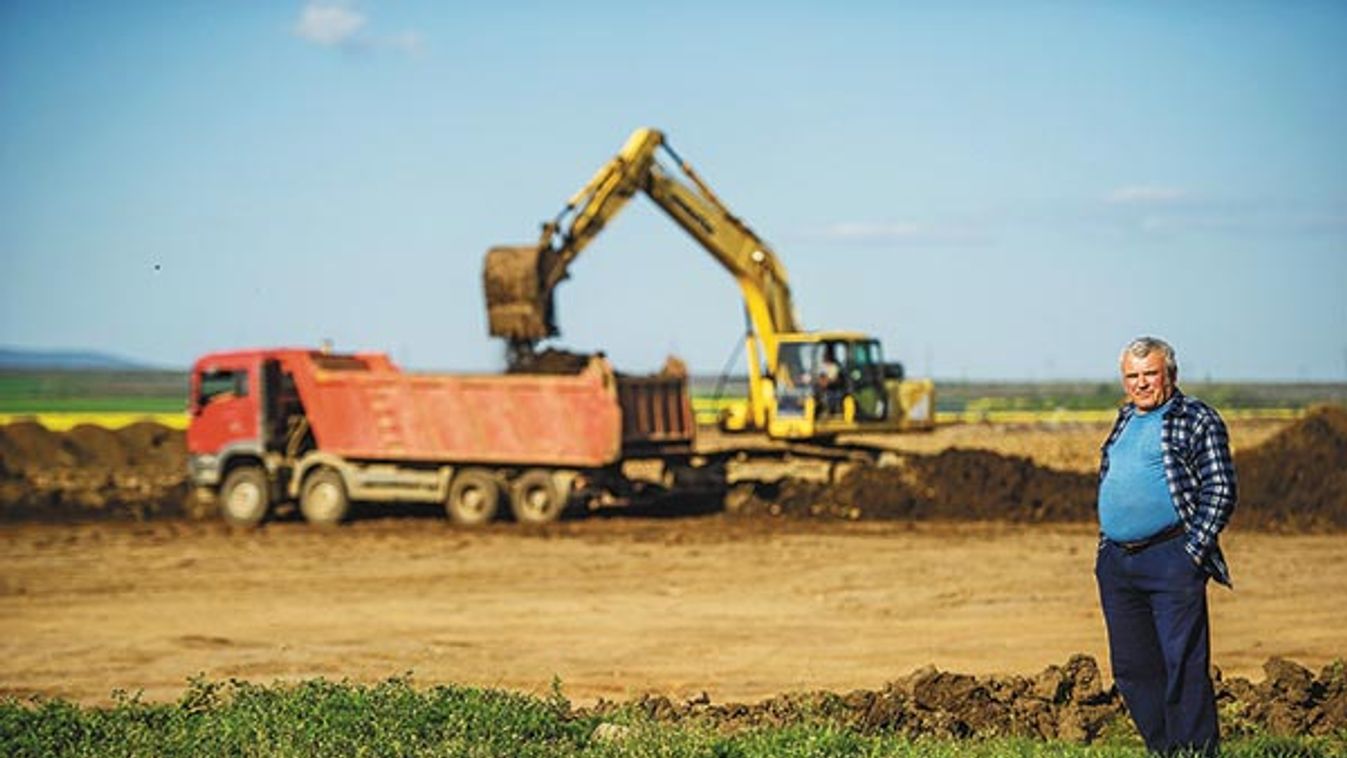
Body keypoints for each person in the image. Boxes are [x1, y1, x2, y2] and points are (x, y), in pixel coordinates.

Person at [1095, 336, 1236, 756]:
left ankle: (1195, 750)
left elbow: (1221, 487)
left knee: (1184, 664)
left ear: (1170, 375)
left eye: (1149, 374)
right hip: (1118, 562)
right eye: (1132, 376)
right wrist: (1107, 544)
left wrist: (1192, 550)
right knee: (1132, 668)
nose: (1140, 384)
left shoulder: (1196, 418)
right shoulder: (1124, 419)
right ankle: (1165, 749)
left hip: (1171, 557)